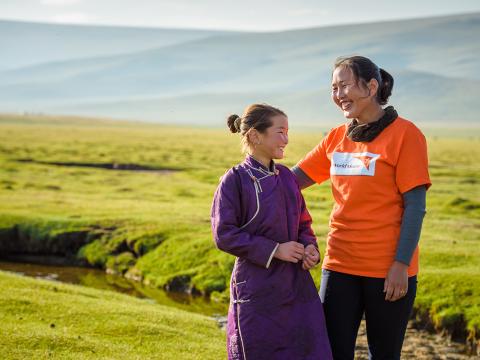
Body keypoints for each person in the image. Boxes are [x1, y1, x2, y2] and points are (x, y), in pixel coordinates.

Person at [292, 56, 431, 360]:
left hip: (388, 270)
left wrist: (400, 266)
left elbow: (415, 207)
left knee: (383, 355)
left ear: (370, 87)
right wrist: (249, 175)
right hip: (339, 264)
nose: (338, 94)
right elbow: (290, 183)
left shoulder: (406, 135)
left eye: (344, 85)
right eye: (333, 87)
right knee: (329, 351)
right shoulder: (336, 138)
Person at [211, 103, 332, 360]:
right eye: (280, 132)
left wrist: (310, 248)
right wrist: (275, 250)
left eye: (288, 132)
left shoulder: (287, 177)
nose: (286, 139)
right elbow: (224, 234)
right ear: (256, 136)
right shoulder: (234, 180)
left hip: (296, 285)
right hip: (257, 288)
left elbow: (303, 224)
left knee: (307, 350)